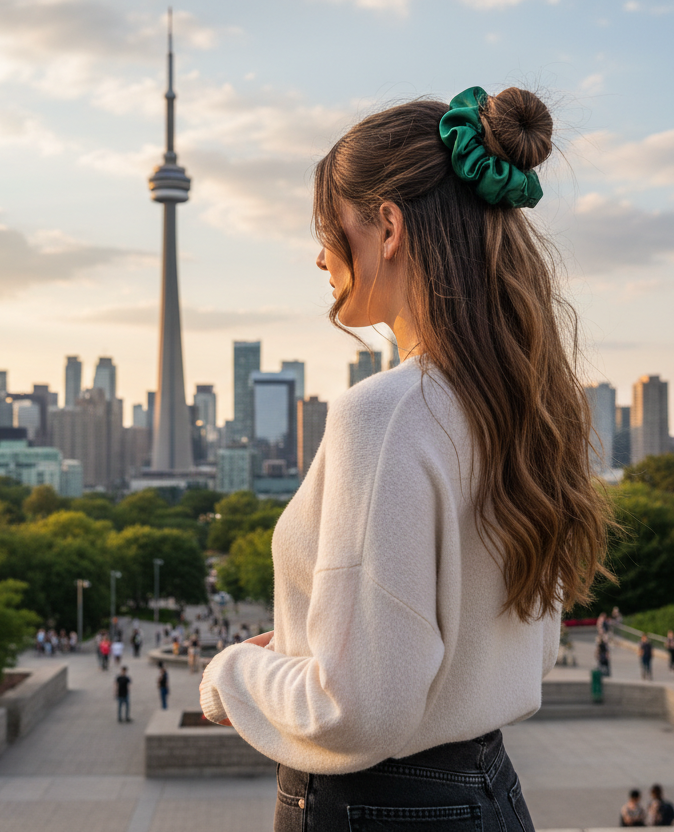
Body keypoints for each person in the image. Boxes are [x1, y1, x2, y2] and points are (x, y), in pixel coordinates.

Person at [195, 85, 611, 830]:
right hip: (490, 795)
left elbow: (360, 711)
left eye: (329, 228)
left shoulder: (384, 415)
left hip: (377, 811)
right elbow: (521, 645)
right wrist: (298, 649)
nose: (319, 256)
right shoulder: (531, 405)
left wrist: (232, 673)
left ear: (386, 225)